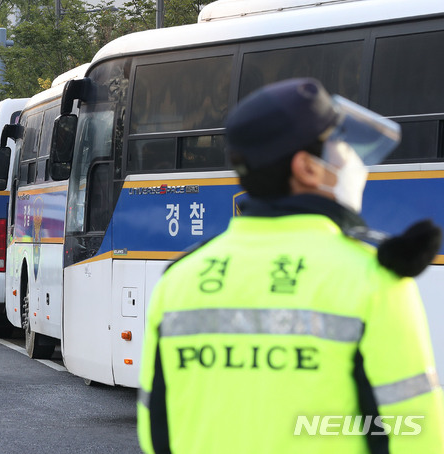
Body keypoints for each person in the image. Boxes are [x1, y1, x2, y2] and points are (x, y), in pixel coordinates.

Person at [137, 78, 444, 453]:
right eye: (342, 145)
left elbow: (156, 431)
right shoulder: (372, 278)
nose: (352, 159)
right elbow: (414, 433)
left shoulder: (180, 279)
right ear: (307, 168)